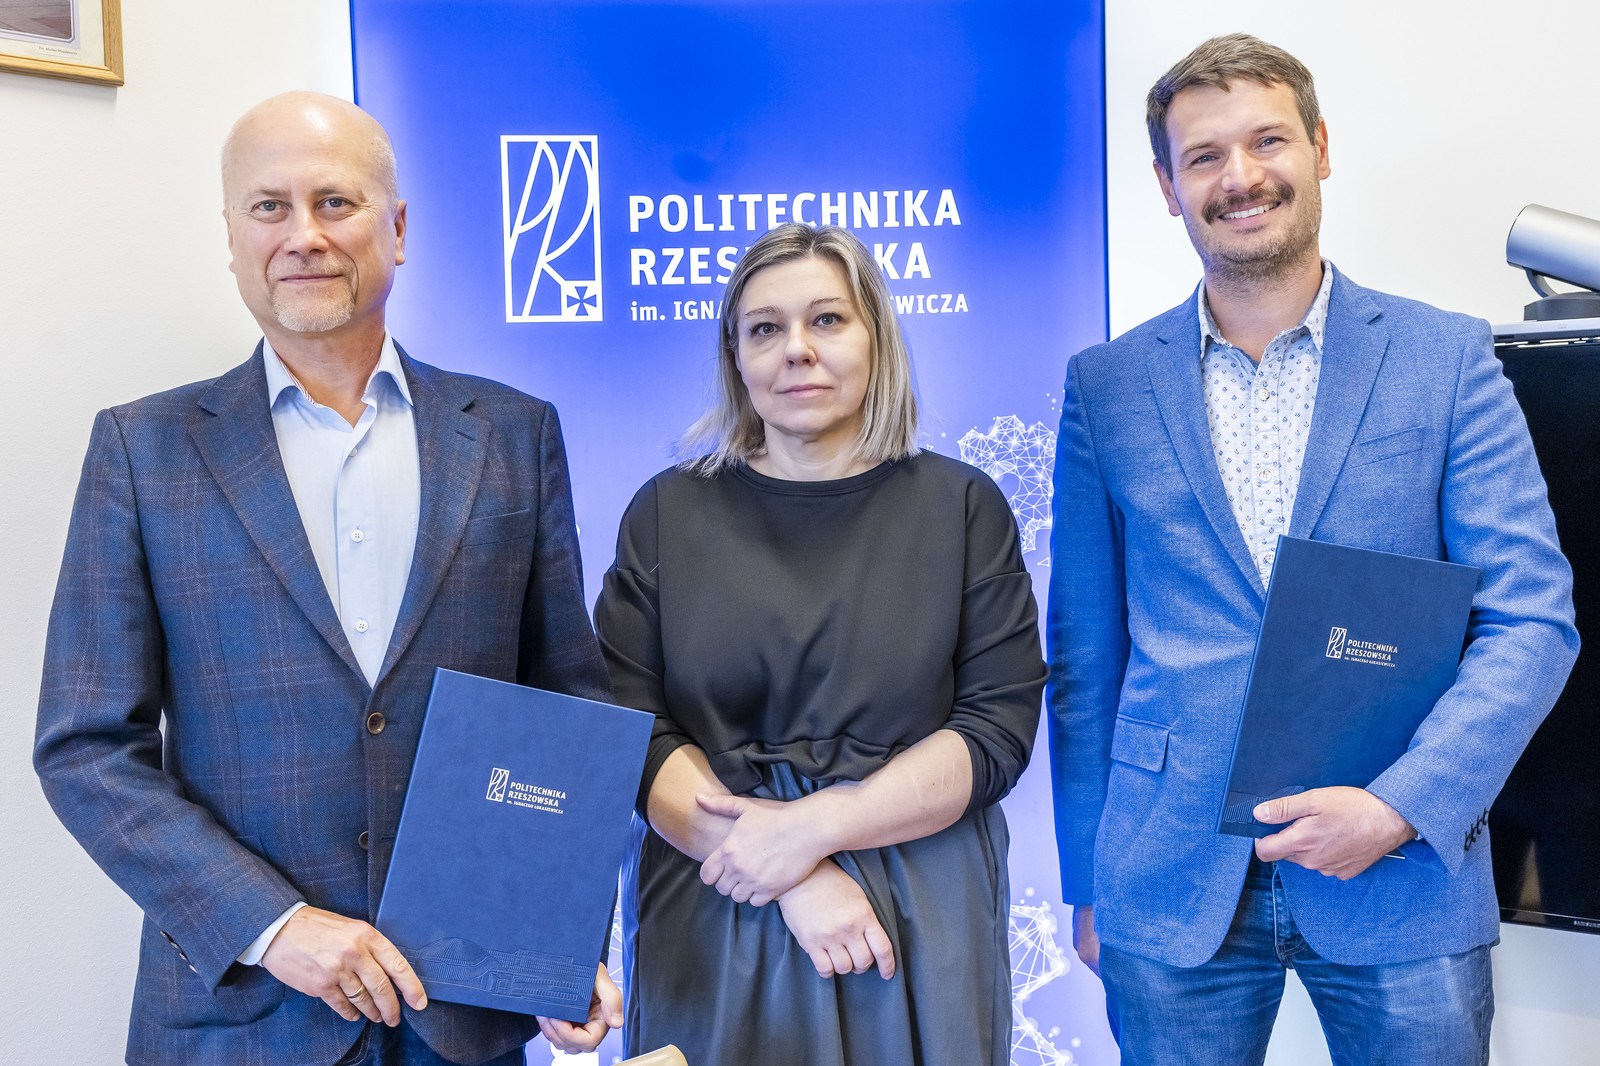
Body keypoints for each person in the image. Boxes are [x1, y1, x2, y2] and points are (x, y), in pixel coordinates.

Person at [34, 92, 621, 1066]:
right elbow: (86, 749)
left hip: (464, 1017)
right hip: (242, 1022)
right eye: (269, 207)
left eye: (335, 202)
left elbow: (564, 711)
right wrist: (273, 926)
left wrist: (555, 943)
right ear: (232, 238)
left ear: (399, 228)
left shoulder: (515, 435)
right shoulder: (142, 451)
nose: (302, 235)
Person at [1047, 33, 1580, 1065]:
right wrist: (1089, 881)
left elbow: (1530, 621)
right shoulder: (1106, 386)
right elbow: (1084, 658)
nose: (1239, 177)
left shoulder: (1444, 358)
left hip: (1401, 869)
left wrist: (1400, 805)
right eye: (1204, 156)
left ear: (1321, 149)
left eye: (1267, 141)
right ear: (1166, 185)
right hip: (1165, 877)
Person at [594, 222, 1047, 1065]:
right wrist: (792, 874)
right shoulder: (665, 512)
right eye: (765, 328)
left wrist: (816, 828)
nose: (797, 349)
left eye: (828, 320)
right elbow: (628, 730)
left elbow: (997, 728)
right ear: (735, 357)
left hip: (916, 914)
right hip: (717, 899)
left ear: (877, 337)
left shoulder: (963, 508)